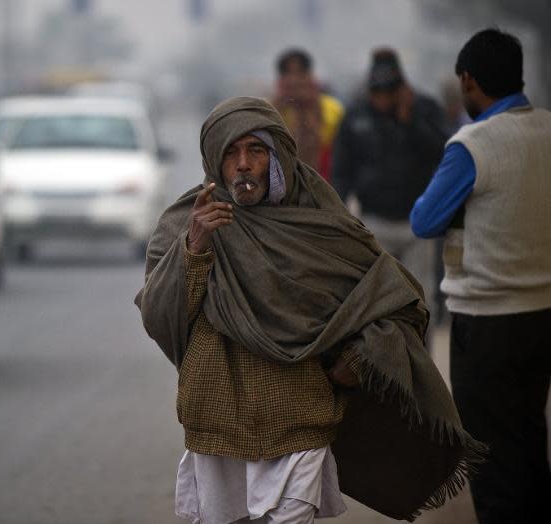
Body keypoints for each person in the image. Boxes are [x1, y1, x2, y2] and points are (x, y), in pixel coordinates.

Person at [136, 96, 484, 523]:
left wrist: (359, 360)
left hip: (301, 415)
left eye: (256, 150)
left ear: (278, 156)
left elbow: (395, 297)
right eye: (231, 153)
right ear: (214, 161)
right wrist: (194, 249)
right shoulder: (188, 222)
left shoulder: (320, 216)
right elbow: (161, 317)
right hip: (218, 421)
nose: (243, 164)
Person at [410, 29, 551, 524]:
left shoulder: (473, 144)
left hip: (487, 321)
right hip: (542, 313)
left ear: (469, 81)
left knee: (490, 453)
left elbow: (424, 220)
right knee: (530, 434)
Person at [332, 48, 448, 332]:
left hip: (417, 223)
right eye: (377, 90)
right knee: (377, 302)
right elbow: (342, 171)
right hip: (374, 223)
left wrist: (410, 120)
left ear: (401, 87)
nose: (382, 97)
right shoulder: (355, 115)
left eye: (389, 90)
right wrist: (338, 214)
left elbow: (443, 154)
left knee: (422, 301)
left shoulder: (425, 109)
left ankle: (422, 368)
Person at [272, 48, 344, 182]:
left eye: (300, 73)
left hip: (325, 184)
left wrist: (310, 108)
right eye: (288, 74)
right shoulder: (270, 111)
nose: (294, 81)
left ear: (310, 76)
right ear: (281, 80)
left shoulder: (332, 109)